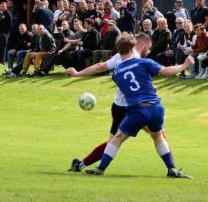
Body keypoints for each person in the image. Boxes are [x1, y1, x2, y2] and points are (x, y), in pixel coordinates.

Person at [81, 32, 193, 178]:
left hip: (137, 111)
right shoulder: (144, 62)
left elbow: (129, 88)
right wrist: (184, 65)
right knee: (158, 136)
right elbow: (164, 71)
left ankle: (101, 168)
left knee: (118, 137)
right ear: (133, 47)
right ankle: (172, 168)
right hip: (155, 107)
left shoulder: (117, 74)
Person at [66, 33, 162, 173]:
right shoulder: (134, 59)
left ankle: (82, 164)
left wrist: (78, 73)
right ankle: (172, 168)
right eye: (149, 47)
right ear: (142, 45)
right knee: (158, 135)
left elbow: (100, 66)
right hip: (131, 107)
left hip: (120, 106)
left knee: (113, 141)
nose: (150, 50)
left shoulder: (121, 56)